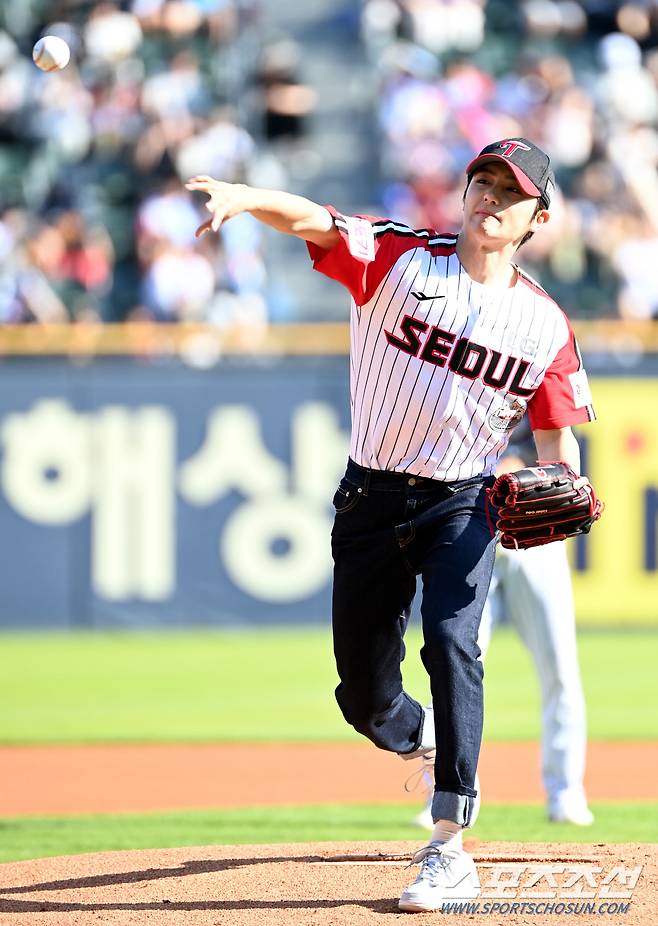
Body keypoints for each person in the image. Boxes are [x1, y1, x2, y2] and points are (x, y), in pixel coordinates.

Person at [185, 137, 597, 913]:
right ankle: (418, 734)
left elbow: (556, 440)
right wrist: (245, 196)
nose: (490, 197)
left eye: (510, 191)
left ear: (538, 218)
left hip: (463, 501)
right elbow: (314, 221)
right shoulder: (402, 259)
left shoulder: (545, 325)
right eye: (482, 181)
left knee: (453, 643)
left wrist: (561, 480)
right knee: (365, 697)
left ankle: (448, 845)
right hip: (370, 498)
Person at [414, 416, 594, 832]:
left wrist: (519, 463)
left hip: (534, 529)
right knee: (452, 662)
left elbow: (557, 437)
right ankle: (445, 792)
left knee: (559, 666)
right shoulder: (453, 382)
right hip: (467, 527)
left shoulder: (534, 377)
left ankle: (566, 791)